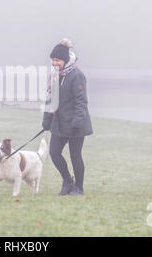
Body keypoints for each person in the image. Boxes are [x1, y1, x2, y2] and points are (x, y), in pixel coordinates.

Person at [42, 38, 93, 196]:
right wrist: (47, 120)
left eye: (57, 60)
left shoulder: (77, 76)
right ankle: (68, 181)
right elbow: (51, 99)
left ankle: (79, 187)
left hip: (76, 125)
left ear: (65, 60)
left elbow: (81, 101)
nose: (54, 63)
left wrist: (77, 123)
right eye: (52, 60)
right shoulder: (56, 76)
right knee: (54, 152)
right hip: (60, 123)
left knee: (75, 156)